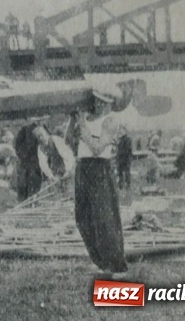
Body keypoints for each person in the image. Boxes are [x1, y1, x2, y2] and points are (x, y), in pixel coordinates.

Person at [72, 85, 128, 278]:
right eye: (96, 100)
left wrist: (82, 127)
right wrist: (76, 124)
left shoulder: (110, 121)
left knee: (104, 217)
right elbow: (73, 140)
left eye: (102, 102)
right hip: (83, 168)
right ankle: (100, 261)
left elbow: (97, 148)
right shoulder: (87, 118)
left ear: (109, 103)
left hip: (99, 168)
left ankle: (117, 264)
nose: (98, 104)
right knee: (82, 216)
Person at [14, 123, 42, 201]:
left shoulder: (25, 131)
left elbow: (17, 147)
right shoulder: (26, 131)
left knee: (27, 190)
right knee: (29, 190)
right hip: (30, 165)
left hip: (29, 165)